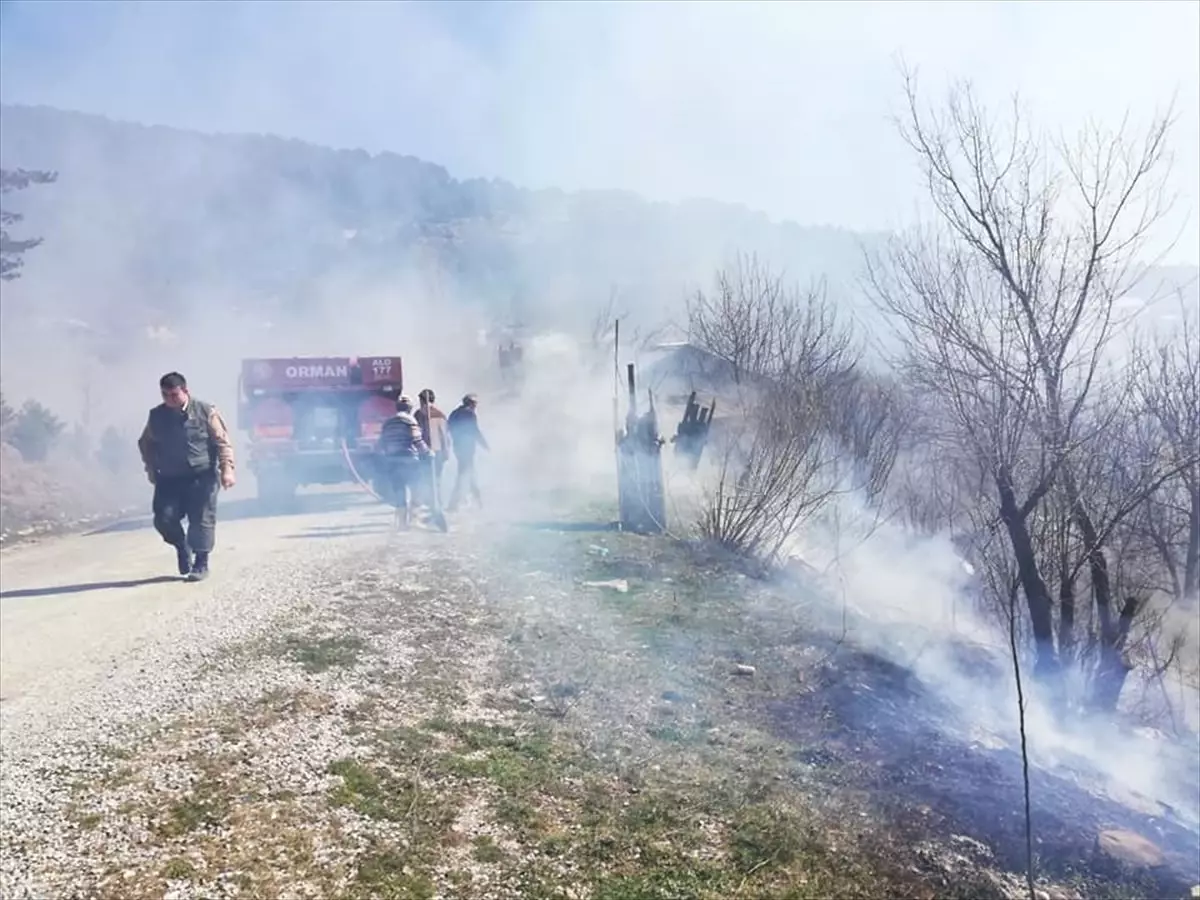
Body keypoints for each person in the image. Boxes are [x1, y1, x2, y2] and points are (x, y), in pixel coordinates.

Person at [136, 371, 236, 582]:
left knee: (201, 519)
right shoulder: (156, 416)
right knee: (164, 519)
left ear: (185, 391)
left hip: (202, 475)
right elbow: (145, 444)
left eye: (174, 395)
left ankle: (201, 562)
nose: (170, 400)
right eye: (165, 395)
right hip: (170, 478)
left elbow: (222, 442)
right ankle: (182, 546)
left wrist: (227, 469)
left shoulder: (205, 411)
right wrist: (152, 470)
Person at [376, 394, 429, 529]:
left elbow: (381, 443)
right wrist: (428, 452)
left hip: (393, 462)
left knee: (399, 492)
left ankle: (401, 524)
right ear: (410, 409)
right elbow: (417, 440)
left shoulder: (388, 423)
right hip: (409, 460)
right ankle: (413, 521)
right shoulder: (410, 421)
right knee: (416, 489)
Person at [447, 393, 489, 511]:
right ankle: (454, 504)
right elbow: (474, 431)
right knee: (464, 474)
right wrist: (484, 445)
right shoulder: (469, 414)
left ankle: (477, 501)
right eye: (474, 404)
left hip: (458, 447)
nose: (475, 406)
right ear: (471, 404)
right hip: (467, 448)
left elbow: (449, 428)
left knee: (468, 473)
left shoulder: (454, 413)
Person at [414, 388, 452, 507]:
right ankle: (434, 502)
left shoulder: (421, 414)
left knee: (427, 478)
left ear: (422, 400)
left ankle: (433, 503)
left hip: (427, 451)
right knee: (435, 479)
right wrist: (446, 451)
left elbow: (416, 433)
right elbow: (445, 436)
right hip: (436, 450)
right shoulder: (440, 414)